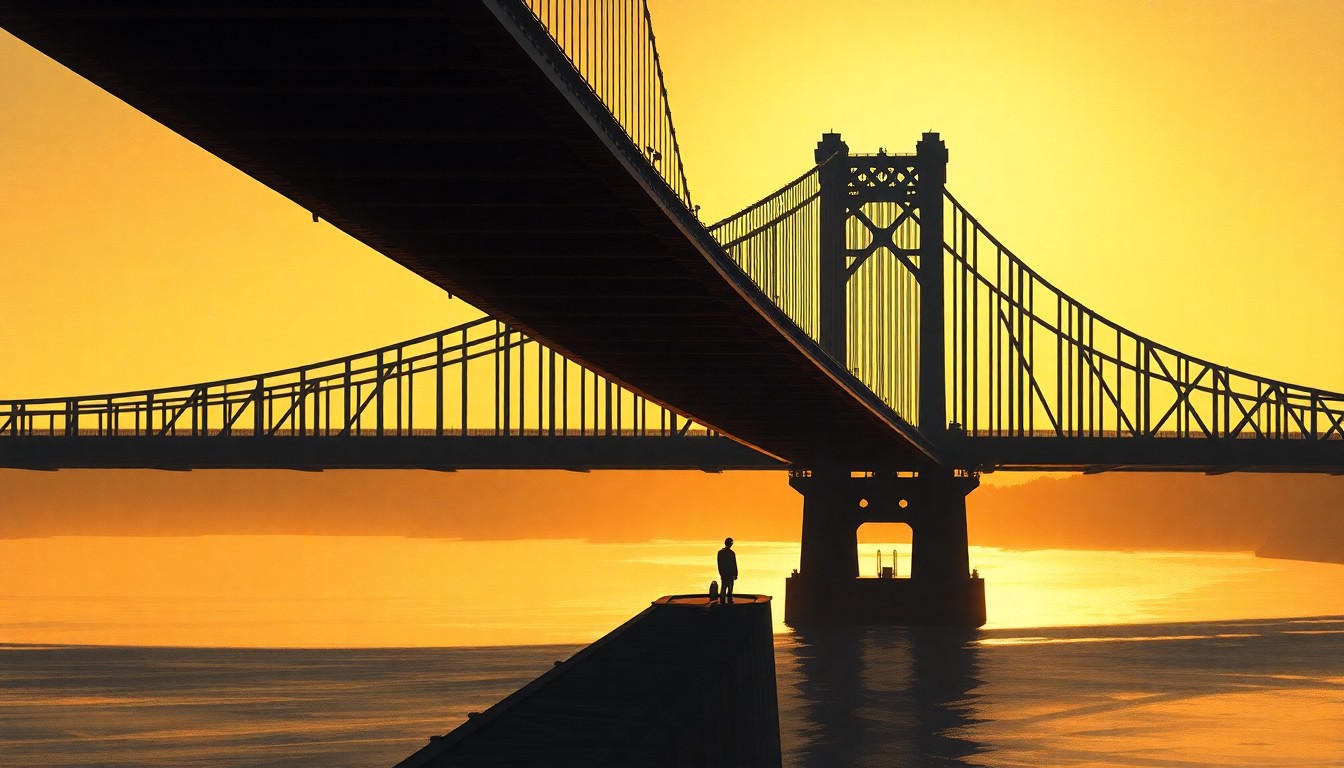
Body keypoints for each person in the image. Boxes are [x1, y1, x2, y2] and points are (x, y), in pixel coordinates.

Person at [717, 537, 738, 604]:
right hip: (730, 573)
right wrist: (736, 574)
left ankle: (722, 602)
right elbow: (734, 564)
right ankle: (729, 602)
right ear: (731, 544)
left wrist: (721, 573)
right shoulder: (731, 553)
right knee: (730, 588)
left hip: (724, 573)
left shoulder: (720, 553)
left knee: (723, 587)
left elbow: (719, 564)